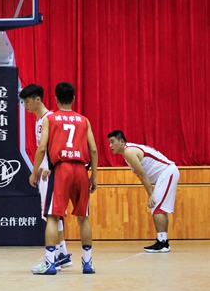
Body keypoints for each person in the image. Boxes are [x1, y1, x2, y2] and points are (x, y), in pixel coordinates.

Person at [29, 82, 98, 275]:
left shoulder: (50, 119)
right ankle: (88, 263)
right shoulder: (84, 120)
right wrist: (94, 176)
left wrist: (34, 172)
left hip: (61, 169)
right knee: (83, 218)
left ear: (56, 99)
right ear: (74, 99)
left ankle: (51, 263)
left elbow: (42, 148)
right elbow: (93, 149)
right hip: (81, 169)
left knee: (52, 217)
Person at [19, 85, 72, 271]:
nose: (25, 106)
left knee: (51, 215)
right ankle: (62, 254)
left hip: (50, 172)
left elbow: (56, 146)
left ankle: (54, 257)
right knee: (54, 214)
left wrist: (44, 168)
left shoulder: (50, 119)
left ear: (38, 100)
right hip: (48, 171)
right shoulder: (40, 120)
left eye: (27, 102)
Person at [107, 130, 179, 253]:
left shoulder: (129, 152)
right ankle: (162, 241)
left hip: (167, 172)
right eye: (109, 143)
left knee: (157, 206)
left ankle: (163, 243)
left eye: (112, 142)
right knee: (158, 208)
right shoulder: (128, 152)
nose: (110, 146)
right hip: (164, 175)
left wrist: (151, 194)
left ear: (122, 141)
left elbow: (142, 174)